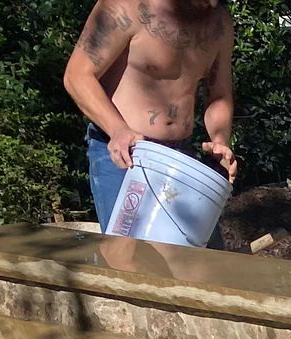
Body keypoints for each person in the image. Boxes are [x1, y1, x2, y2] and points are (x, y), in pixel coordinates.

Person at [62, 0, 239, 241]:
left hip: (180, 159)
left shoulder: (219, 23)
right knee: (129, 260)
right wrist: (117, 129)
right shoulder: (126, 6)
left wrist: (220, 141)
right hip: (125, 155)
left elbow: (219, 95)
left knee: (200, 261)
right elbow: (77, 75)